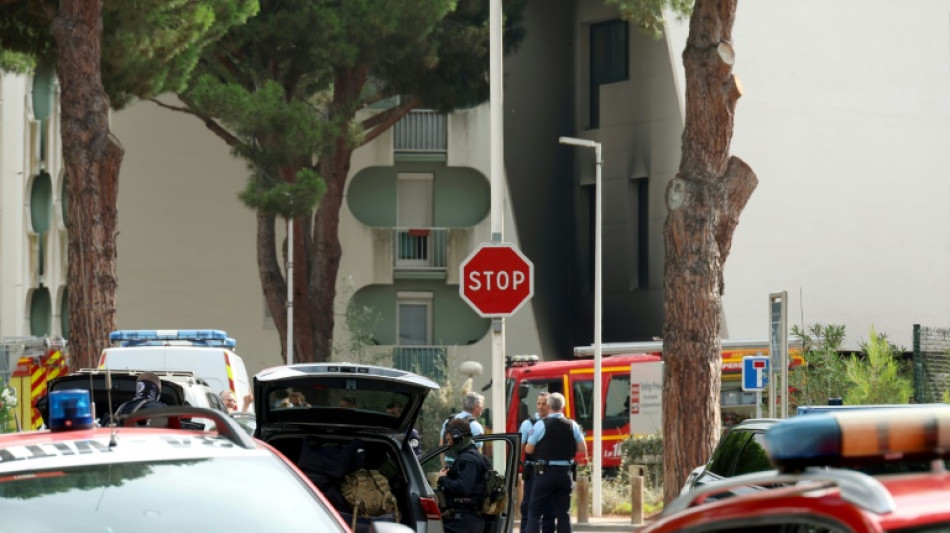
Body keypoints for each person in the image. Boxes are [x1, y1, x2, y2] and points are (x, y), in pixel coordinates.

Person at [523, 392, 587, 533]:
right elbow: (582, 448)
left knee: (534, 513)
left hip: (545, 474)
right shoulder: (573, 425)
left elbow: (528, 449)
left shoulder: (541, 425)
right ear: (563, 406)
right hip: (565, 475)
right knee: (564, 514)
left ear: (549, 406)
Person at [437, 418, 487, 533]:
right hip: (468, 520)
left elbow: (463, 488)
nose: (448, 444)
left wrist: (443, 479)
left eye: (449, 440)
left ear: (457, 436)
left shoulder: (467, 459)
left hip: (464, 521)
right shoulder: (473, 456)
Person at [520, 392, 555, 533]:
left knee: (549, 507)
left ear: (550, 405)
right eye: (538, 404)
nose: (540, 407)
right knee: (528, 506)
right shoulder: (527, 424)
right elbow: (520, 448)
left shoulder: (555, 424)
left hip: (550, 471)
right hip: (533, 471)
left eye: (544, 404)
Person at [440, 391, 485, 465]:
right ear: (476, 406)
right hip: (466, 468)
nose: (482, 408)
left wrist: (444, 468)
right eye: (482, 406)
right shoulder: (476, 426)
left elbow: (441, 446)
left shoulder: (448, 421)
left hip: (449, 467)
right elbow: (477, 454)